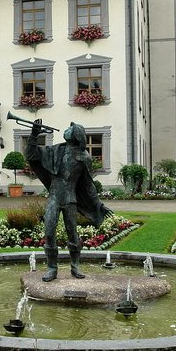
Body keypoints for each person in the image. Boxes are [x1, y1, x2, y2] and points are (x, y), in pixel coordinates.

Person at [25, 120, 111, 282]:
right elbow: (31, 155)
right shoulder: (55, 151)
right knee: (49, 231)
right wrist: (34, 134)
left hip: (70, 199)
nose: (66, 130)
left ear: (76, 135)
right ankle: (52, 268)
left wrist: (98, 204)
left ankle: (75, 265)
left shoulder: (84, 157)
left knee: (73, 233)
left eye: (70, 129)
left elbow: (88, 185)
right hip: (54, 197)